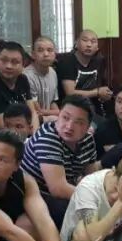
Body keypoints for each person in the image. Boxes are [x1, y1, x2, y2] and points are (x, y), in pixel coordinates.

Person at [21, 95, 99, 225]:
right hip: (34, 193)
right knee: (73, 211)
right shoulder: (48, 138)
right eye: (65, 118)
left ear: (87, 127)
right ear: (59, 115)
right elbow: (58, 189)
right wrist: (95, 198)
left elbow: (92, 178)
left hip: (62, 192)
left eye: (79, 122)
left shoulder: (88, 140)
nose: (69, 126)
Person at [56, 29, 111, 118]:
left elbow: (101, 86)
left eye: (93, 41)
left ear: (97, 47)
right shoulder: (67, 61)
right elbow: (70, 93)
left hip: (94, 110)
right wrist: (97, 92)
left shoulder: (99, 61)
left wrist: (105, 94)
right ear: (76, 44)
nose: (89, 45)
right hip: (71, 110)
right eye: (85, 40)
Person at [0, 41, 31, 131]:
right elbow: (3, 128)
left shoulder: (22, 79)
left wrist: (35, 135)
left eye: (15, 62)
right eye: (4, 61)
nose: (8, 66)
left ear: (23, 65)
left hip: (24, 132)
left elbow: (32, 112)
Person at [25, 35, 60, 123]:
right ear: (33, 55)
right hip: (33, 120)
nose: (46, 54)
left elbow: (52, 102)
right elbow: (37, 110)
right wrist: (58, 112)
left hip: (50, 118)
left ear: (55, 54)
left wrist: (59, 114)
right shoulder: (27, 76)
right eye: (40, 50)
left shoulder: (52, 72)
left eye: (49, 50)